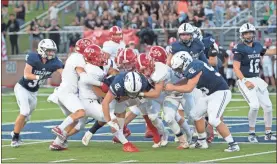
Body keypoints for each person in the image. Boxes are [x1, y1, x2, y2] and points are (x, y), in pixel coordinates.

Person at [165, 51, 240, 152]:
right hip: (208, 94)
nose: (179, 70)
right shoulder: (193, 65)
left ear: (185, 62)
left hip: (220, 92)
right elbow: (187, 80)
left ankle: (233, 144)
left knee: (213, 120)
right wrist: (175, 84)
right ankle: (202, 141)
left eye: (179, 67)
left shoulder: (195, 67)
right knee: (194, 115)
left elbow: (189, 88)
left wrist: (172, 87)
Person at [11, 39, 63, 147]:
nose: (51, 53)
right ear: (42, 50)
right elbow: (26, 75)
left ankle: (16, 131)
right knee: (24, 111)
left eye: (52, 51)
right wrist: (40, 76)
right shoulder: (33, 57)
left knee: (27, 117)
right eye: (49, 51)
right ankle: (15, 138)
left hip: (34, 92)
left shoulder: (55, 62)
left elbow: (64, 74)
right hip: (22, 88)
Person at [233, 23, 277, 143]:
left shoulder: (257, 46)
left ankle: (268, 133)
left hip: (257, 79)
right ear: (242, 35)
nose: (248, 35)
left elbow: (269, 52)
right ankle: (251, 132)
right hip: (245, 79)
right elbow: (236, 68)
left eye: (250, 32)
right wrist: (244, 81)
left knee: (268, 106)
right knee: (254, 106)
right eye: (246, 33)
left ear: (253, 33)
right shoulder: (239, 48)